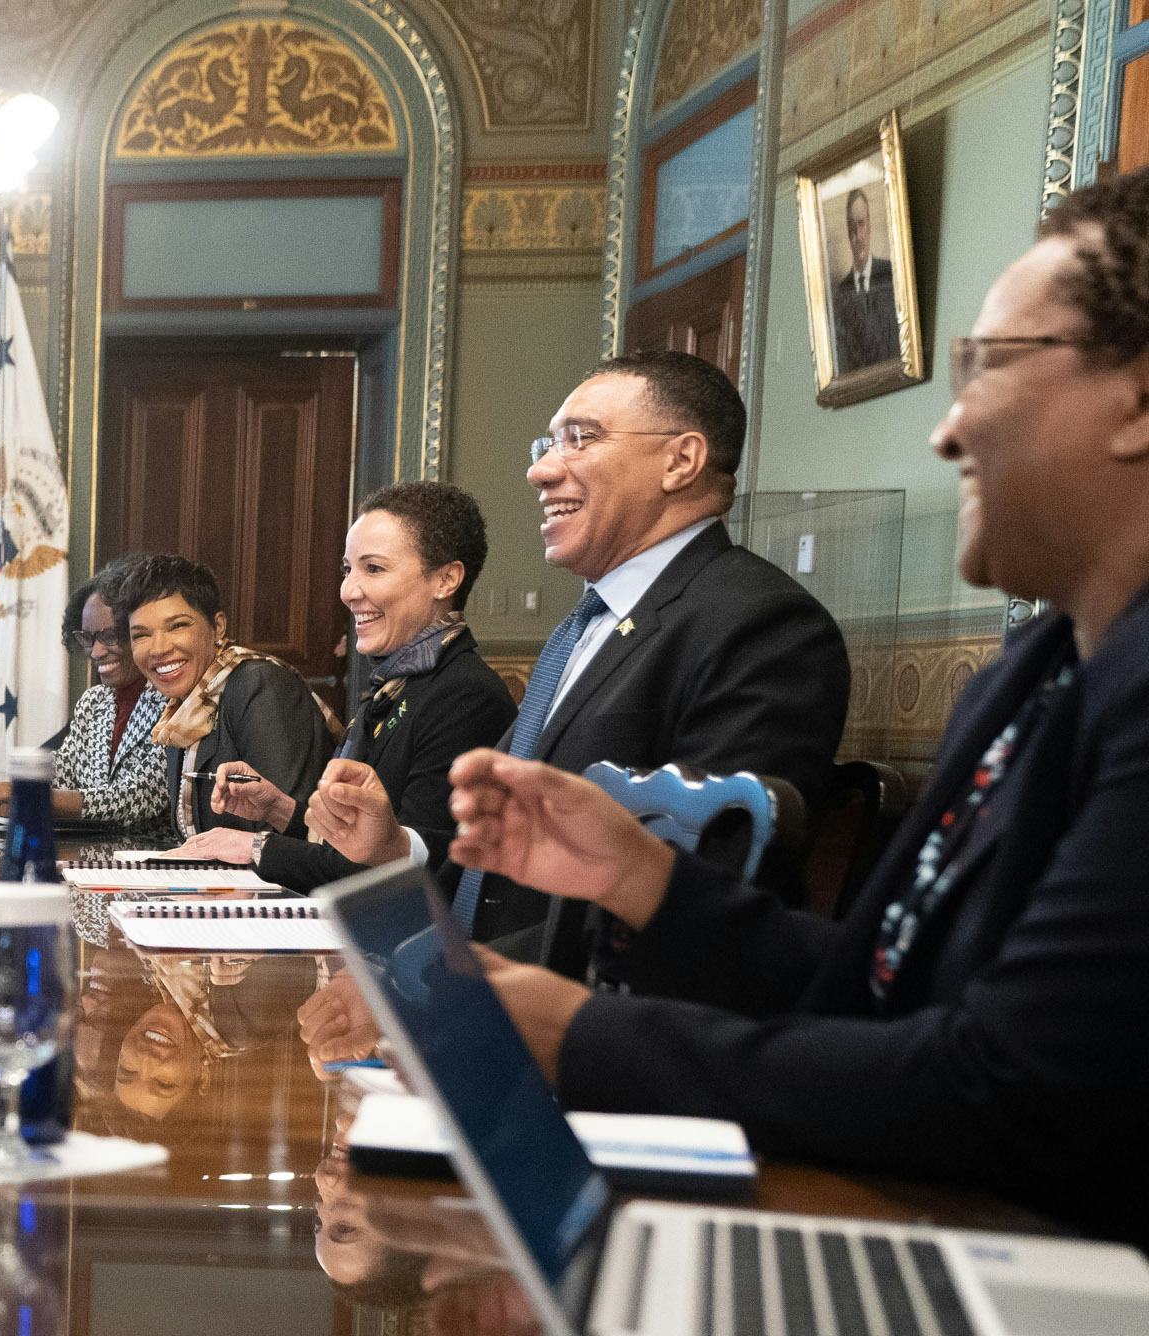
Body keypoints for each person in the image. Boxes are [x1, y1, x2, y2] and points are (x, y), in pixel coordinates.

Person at [440, 167, 1149, 1248]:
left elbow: (1010, 1091)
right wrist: (647, 881)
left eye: (989, 367)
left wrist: (583, 1038)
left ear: (1135, 399)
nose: (948, 431)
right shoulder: (1029, 675)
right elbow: (875, 993)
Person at [308, 349, 851, 965]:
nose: (541, 471)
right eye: (548, 444)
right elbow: (500, 867)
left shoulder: (762, 628)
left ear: (680, 461)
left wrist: (465, 979)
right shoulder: (585, 626)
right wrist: (392, 848)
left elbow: (697, 898)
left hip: (572, 1009)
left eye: (580, 439)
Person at [177, 484, 515, 888]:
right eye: (347, 570)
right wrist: (280, 809)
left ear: (446, 580)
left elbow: (410, 864)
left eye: (373, 569)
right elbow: (355, 845)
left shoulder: (465, 696)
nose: (348, 591)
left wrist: (258, 848)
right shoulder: (397, 682)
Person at [95, 552, 333, 849]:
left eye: (177, 626)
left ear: (218, 626)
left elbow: (289, 834)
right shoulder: (179, 710)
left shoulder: (259, 685)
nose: (158, 649)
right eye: (141, 635)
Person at [0, 561, 162, 826]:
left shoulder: (170, 700)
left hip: (152, 851)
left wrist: (6, 791)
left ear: (139, 633)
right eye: (88, 638)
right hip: (86, 846)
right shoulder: (94, 701)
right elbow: (61, 774)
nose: (96, 652)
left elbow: (137, 798)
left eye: (110, 636)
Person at [833, 187, 904, 373]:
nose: (858, 235)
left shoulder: (892, 275)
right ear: (847, 232)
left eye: (861, 224)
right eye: (852, 227)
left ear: (870, 226)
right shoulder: (841, 293)